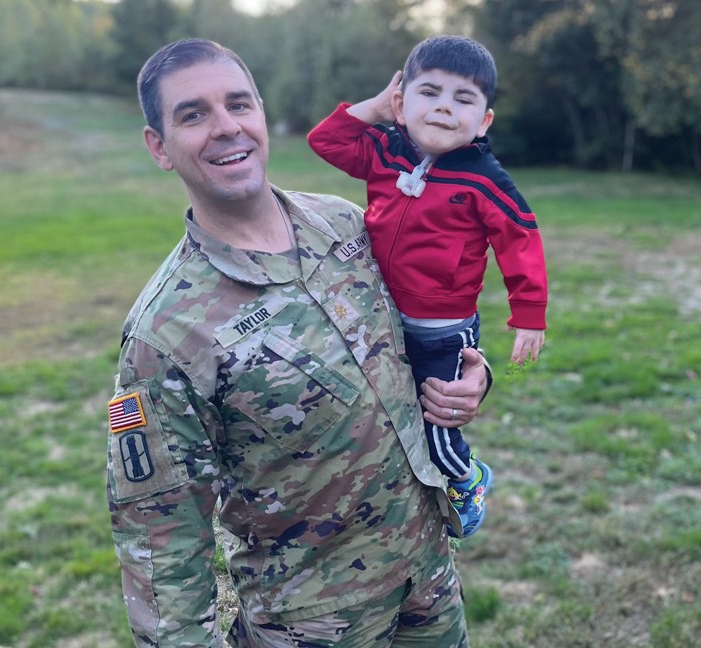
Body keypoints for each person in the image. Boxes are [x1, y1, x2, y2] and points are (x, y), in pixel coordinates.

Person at [106, 38, 491, 648]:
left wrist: (477, 377)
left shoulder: (342, 223)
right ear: (160, 147)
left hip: (428, 582)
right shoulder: (164, 332)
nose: (226, 128)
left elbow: (426, 325)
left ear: (261, 112)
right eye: (193, 114)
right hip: (313, 623)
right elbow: (159, 535)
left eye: (239, 104)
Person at [307, 35, 548, 538]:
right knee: (386, 419)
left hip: (442, 330)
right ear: (402, 103)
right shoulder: (384, 153)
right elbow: (325, 142)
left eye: (463, 99)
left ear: (483, 121)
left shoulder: (484, 180)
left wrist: (529, 313)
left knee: (438, 426)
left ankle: (467, 477)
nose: (443, 106)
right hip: (381, 319)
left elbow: (520, 239)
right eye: (429, 93)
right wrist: (371, 109)